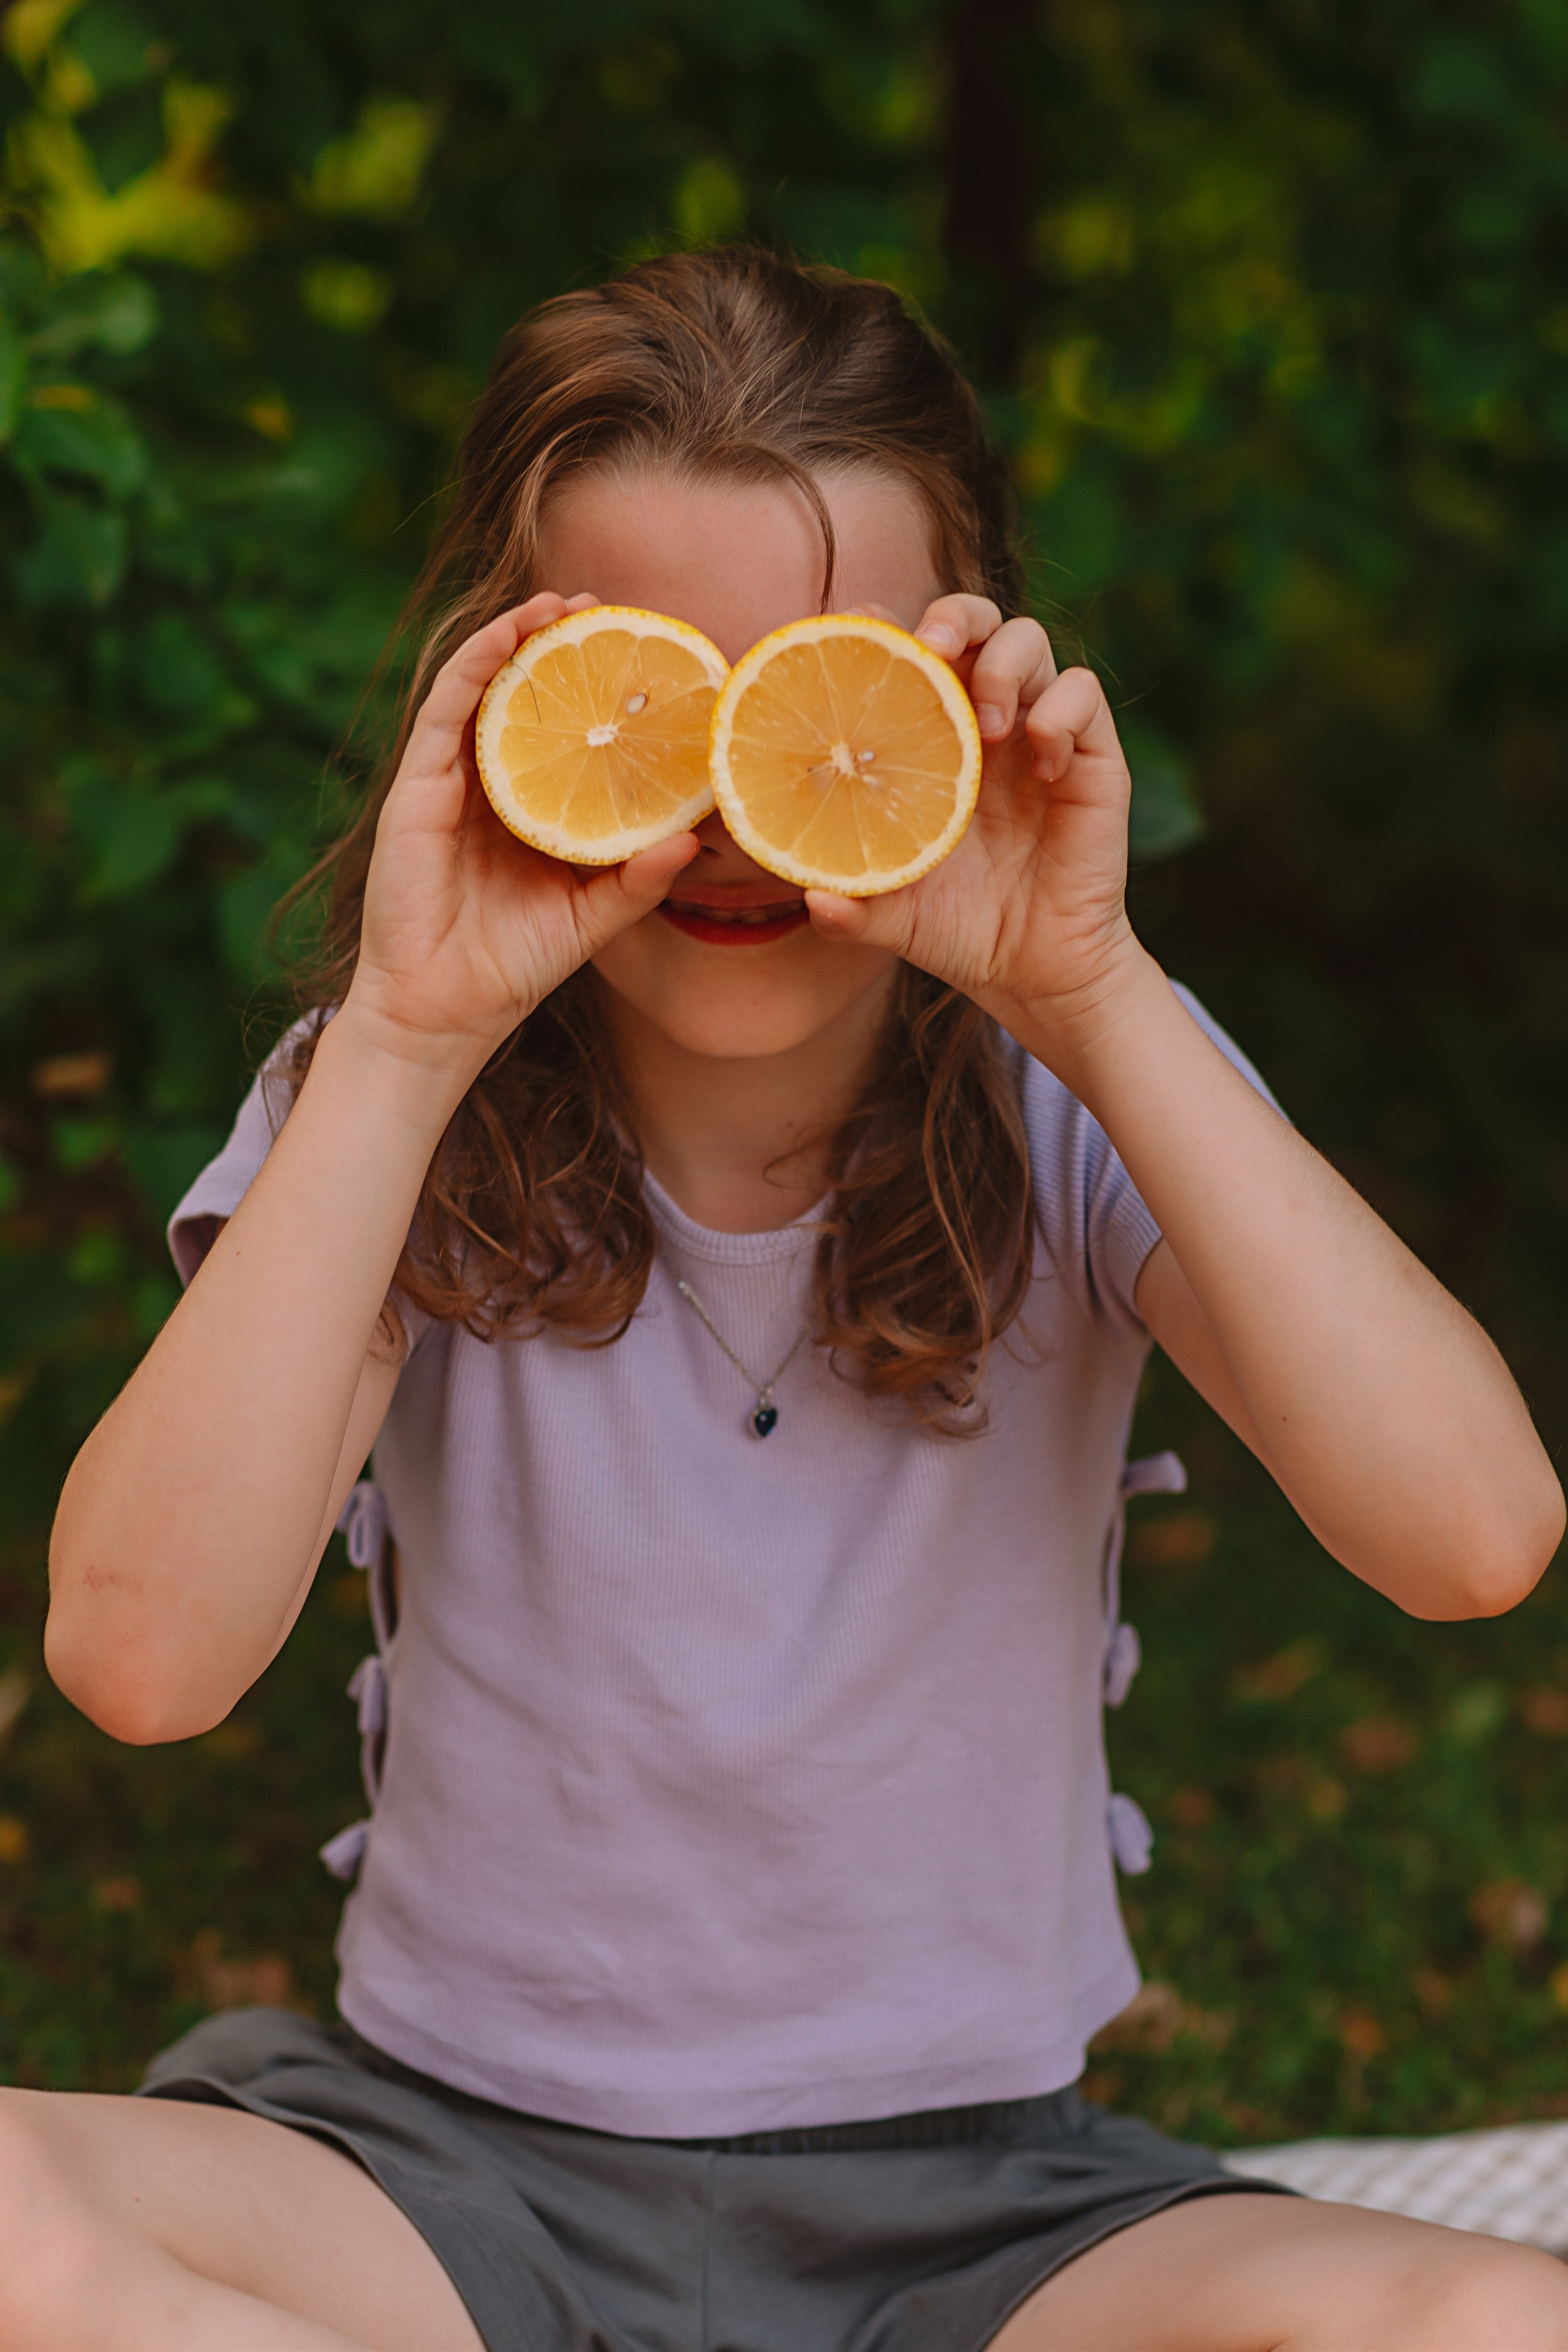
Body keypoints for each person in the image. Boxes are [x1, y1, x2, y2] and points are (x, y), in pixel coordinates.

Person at [14, 247, 1566, 2352]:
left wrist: (1089, 988)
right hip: (446, 2193)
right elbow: (138, 1659)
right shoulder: (398, 1096)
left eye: (821, 690)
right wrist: (397, 1038)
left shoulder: (1081, 1084)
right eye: (653, 695)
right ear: (504, 686)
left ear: (966, 677)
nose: (741, 800)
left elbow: (1474, 1538)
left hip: (990, 2227)